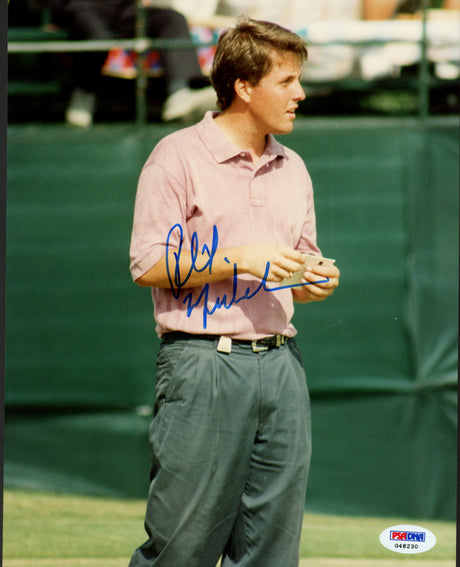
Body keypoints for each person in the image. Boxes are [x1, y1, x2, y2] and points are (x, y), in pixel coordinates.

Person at [128, 17, 340, 567]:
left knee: (272, 553)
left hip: (282, 367)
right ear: (244, 87)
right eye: (287, 81)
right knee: (181, 549)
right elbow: (147, 263)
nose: (300, 93)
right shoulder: (176, 155)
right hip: (203, 364)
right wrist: (239, 259)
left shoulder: (293, 167)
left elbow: (297, 266)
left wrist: (314, 279)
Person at [45, 0, 216, 126]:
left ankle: (180, 93)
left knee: (172, 19)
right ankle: (84, 91)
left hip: (125, 10)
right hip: (82, 7)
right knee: (98, 39)